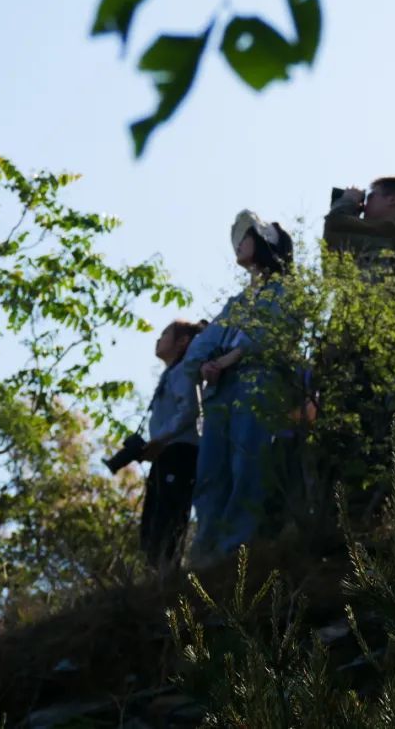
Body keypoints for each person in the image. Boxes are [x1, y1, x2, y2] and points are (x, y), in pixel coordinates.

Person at [181, 210, 295, 563]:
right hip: (221, 389)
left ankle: (237, 551)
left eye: (247, 236)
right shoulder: (237, 302)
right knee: (211, 472)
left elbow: (271, 335)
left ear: (264, 244)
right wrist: (203, 363)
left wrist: (225, 361)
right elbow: (204, 342)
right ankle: (205, 553)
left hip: (257, 381)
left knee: (247, 462)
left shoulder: (285, 290)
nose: (240, 242)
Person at [136, 319, 205, 567]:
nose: (158, 339)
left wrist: (160, 438)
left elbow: (189, 410)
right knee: (152, 521)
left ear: (182, 341)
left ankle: (168, 576)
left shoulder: (183, 371)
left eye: (165, 333)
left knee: (169, 517)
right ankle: (156, 576)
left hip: (180, 451)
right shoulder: (170, 374)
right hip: (166, 452)